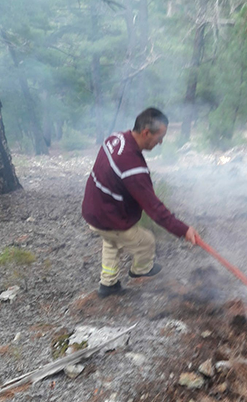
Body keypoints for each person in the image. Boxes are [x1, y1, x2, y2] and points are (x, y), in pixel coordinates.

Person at [82, 107, 199, 298]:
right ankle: (140, 269)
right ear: (146, 132)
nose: (160, 142)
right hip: (107, 215)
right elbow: (155, 209)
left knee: (112, 241)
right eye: (159, 137)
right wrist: (183, 230)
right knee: (146, 242)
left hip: (93, 209)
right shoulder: (132, 167)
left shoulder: (116, 138)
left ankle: (108, 284)